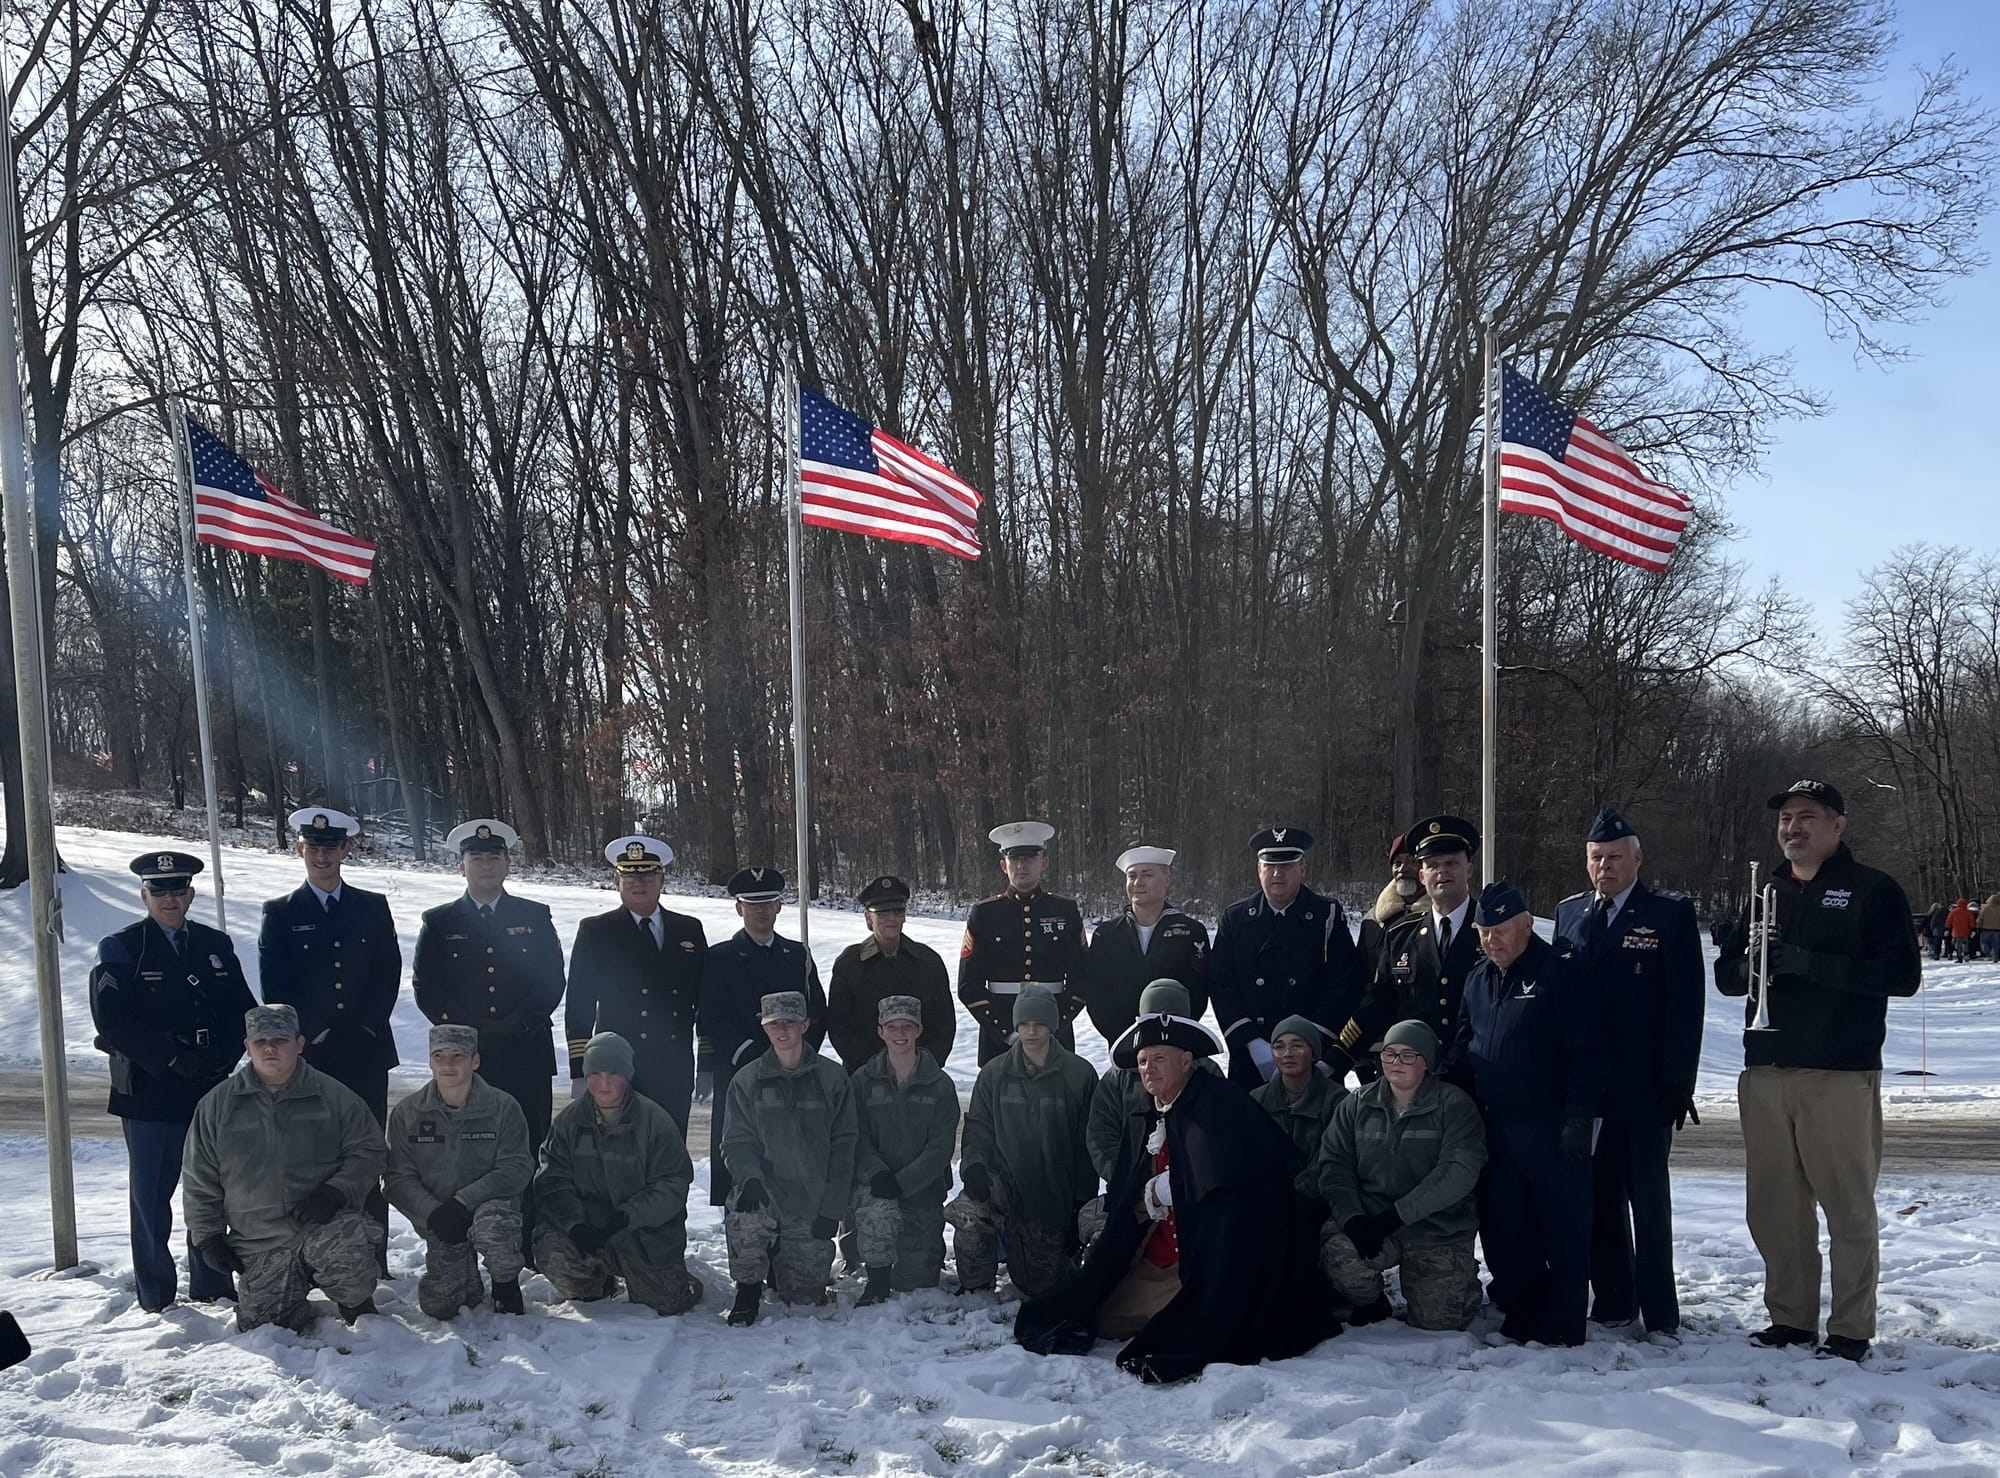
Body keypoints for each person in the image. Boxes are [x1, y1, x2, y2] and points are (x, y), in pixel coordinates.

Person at [1015, 1006, 1340, 1383]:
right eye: (1142, 1061)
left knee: (1187, 1325)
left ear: (1187, 1061)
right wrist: (1147, 1198)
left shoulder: (1222, 1105)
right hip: (1160, 1254)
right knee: (1103, 1317)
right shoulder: (1145, 1116)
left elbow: (1248, 1192)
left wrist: (1180, 1186)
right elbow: (1125, 1199)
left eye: (1159, 1059)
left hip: (1212, 1261)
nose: (1148, 1069)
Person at [1716, 779, 1921, 1362]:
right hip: (1767, 1068)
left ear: (1838, 825)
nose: (1793, 828)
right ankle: (1791, 1319)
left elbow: (1902, 977)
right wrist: (1741, 960)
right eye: (1786, 819)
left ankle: (1852, 1328)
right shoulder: (1763, 892)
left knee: (1847, 1206)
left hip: (1839, 1070)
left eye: (1807, 817)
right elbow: (1730, 983)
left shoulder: (1873, 891)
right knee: (1774, 1206)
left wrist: (1812, 964)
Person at [1552, 808, 1704, 1337]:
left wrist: (1678, 1083)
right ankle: (1615, 1299)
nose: (1605, 867)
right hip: (1589, 1089)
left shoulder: (1667, 914)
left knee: (1648, 1202)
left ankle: (1660, 1311)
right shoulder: (1569, 913)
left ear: (1637, 859)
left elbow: (1686, 1008)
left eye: (1616, 857)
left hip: (1644, 1088)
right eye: (1596, 858)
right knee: (1599, 1198)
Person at [88, 850, 257, 1312]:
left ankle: (213, 1282)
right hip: (150, 1086)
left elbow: (242, 1007)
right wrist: (169, 1059)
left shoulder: (215, 945)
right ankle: (156, 1293)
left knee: (209, 1189)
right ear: (144, 895)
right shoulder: (123, 948)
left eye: (177, 890)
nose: (169, 898)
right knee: (151, 1197)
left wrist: (223, 1058)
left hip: (207, 1084)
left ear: (191, 894)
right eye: (159, 890)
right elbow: (112, 1021)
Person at [1446, 881, 1606, 1347]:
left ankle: (1563, 1321)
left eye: (1499, 931)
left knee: (1562, 1226)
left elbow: (1588, 1051)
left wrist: (1580, 1114)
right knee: (1506, 1226)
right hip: (1495, 1124)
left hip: (1551, 1123)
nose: (1490, 941)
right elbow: (1463, 1043)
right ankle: (1520, 1311)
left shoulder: (1561, 971)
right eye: (1482, 932)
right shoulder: (1479, 976)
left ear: (1525, 924)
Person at [412, 817, 566, 1261]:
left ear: (506, 864)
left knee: (530, 1144)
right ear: (462, 867)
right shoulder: (439, 922)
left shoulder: (534, 917)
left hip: (525, 1049)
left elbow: (551, 980)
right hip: (466, 1057)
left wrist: (518, 1023)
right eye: (476, 858)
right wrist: (468, 1037)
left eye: (493, 857)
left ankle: (529, 1238)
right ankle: (465, 1239)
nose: (485, 865)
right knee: (465, 1147)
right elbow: (428, 987)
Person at [181, 1004, 386, 1333]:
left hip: (322, 1227)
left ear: (300, 1043)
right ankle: (288, 1298)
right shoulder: (216, 1106)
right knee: (266, 1328)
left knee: (347, 1239)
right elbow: (198, 1178)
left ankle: (357, 1306)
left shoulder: (334, 1097)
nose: (270, 1048)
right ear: (247, 1047)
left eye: (280, 1039)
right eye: (260, 1041)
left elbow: (371, 1151)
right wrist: (208, 1237)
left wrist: (336, 1192)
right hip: (259, 1240)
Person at [258, 808, 401, 1262]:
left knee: (367, 1151)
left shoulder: (372, 907)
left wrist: (364, 1024)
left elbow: (388, 972)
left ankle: (373, 1257)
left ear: (346, 851)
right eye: (313, 848)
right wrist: (313, 1031)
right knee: (310, 1154)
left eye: (330, 849)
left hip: (365, 1049)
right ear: (300, 850)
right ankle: (314, 1256)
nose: (322, 857)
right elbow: (275, 983)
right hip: (311, 1054)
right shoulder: (280, 913)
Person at [1315, 1019, 1487, 1329]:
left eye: (1409, 1055)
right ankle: (1370, 1301)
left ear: (1427, 1063)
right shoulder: (1356, 1103)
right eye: (1389, 1053)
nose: (1396, 1063)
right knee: (1341, 1261)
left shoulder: (1454, 1106)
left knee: (1440, 1324)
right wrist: (1352, 1218)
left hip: (1437, 1228)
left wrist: (1397, 1215)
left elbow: (1458, 1171)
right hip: (1372, 1221)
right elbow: (1334, 1164)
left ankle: (1458, 1279)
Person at [533, 1031, 701, 1316]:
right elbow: (551, 1180)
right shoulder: (568, 1123)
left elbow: (672, 1183)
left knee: (666, 1303)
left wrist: (627, 1216)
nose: (605, 1083)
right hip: (589, 1230)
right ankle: (597, 1283)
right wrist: (576, 1225)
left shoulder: (655, 1121)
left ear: (628, 1074)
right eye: (596, 1073)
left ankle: (679, 1279)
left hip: (642, 1233)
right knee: (550, 1249)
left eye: (614, 1073)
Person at [949, 987, 1099, 1296]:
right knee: (969, 1211)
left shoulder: (1079, 1074)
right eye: (1025, 1024)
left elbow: (1089, 1142)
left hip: (1055, 1191)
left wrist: (1081, 1198)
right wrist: (974, 1168)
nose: (1031, 1032)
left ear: (1052, 1026)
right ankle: (976, 1283)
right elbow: (978, 1128)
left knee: (1037, 1283)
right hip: (1006, 1185)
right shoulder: (993, 1074)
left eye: (1040, 1024)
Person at [721, 992, 858, 1325]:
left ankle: (782, 1258)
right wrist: (749, 1177)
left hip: (810, 1203)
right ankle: (748, 1290)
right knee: (745, 1208)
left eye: (790, 1023)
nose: (782, 1031)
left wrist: (831, 1208)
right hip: (766, 1195)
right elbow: (736, 1141)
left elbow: (845, 1146)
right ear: (764, 1028)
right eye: (773, 1024)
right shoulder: (747, 1080)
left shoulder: (833, 1078)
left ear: (805, 1025)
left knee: (802, 1297)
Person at [698, 867, 829, 1205]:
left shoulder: (797, 956)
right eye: (752, 904)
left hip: (794, 1074)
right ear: (739, 908)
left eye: (767, 903)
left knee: (793, 1159)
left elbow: (816, 1012)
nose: (760, 911)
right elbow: (711, 1018)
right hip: (741, 1071)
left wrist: (798, 1056)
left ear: (779, 906)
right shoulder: (719, 958)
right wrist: (752, 1054)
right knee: (741, 1161)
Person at [384, 1025, 534, 1318]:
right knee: (441, 1307)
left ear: (474, 1060)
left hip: (490, 1209)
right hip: (440, 1218)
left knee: (494, 1226)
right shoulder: (408, 1113)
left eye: (458, 1055)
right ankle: (465, 1273)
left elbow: (516, 1167)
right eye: (439, 1055)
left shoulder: (503, 1107)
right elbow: (397, 1178)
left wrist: (464, 1201)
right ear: (429, 1061)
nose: (448, 1064)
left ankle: (505, 1283)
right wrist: (433, 1213)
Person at [565, 836, 706, 1131]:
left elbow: (704, 999)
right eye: (629, 875)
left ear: (662, 879)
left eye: (646, 874)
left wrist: (707, 1059)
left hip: (673, 1064)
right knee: (618, 1155)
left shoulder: (688, 930)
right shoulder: (596, 931)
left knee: (670, 1152)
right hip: (617, 1066)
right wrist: (581, 1069)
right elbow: (580, 1003)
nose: (637, 882)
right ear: (616, 880)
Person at [1208, 827, 1363, 1088]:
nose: (1277, 874)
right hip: (1252, 1056)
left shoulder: (1327, 916)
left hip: (1314, 1053)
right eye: (1269, 866)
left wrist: (1311, 1043)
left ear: (1302, 869)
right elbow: (1222, 985)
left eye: (1287, 866)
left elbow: (1343, 985)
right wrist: (1252, 1043)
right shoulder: (1235, 918)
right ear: (1259, 870)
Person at [1079, 980, 1220, 1247]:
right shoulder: (1117, 1079)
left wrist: (1181, 1181)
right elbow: (1100, 1137)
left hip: (1195, 1192)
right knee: (1102, 1242)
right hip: (1129, 1192)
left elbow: (1218, 1140)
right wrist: (1134, 1181)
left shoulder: (1208, 1075)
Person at [1340, 815, 1479, 1078]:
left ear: (1469, 869)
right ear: (1422, 874)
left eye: (1451, 863)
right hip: (1414, 1079)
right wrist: (1338, 1057)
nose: (1442, 872)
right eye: (1433, 864)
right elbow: (1379, 1002)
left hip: (1479, 1079)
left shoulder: (1492, 931)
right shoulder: (1401, 935)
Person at [849, 996, 961, 1305]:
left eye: (907, 1027)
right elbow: (856, 1136)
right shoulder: (862, 1081)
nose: (900, 1034)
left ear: (919, 1030)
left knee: (917, 1281)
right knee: (879, 1211)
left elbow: (940, 1147)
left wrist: (904, 1182)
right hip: (876, 1187)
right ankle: (877, 1279)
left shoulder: (939, 1084)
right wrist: (878, 1174)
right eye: (893, 1027)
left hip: (922, 1191)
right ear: (881, 1031)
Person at [958, 821, 1087, 1065]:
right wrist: (1006, 1032)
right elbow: (969, 985)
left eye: (1029, 858)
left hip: (1055, 1033)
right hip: (999, 1039)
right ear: (1002, 866)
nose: (1021, 865)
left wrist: (1052, 1025)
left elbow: (1081, 980)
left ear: (1044, 862)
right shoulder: (984, 914)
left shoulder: (1065, 910)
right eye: (1014, 858)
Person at [1080, 846, 1210, 1046]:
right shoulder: (1106, 934)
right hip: (1122, 1043)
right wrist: (1125, 1039)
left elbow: (1198, 993)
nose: (1138, 883)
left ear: (1167, 878)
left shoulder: (1191, 932)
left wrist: (1172, 1034)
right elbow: (1097, 996)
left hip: (1175, 1042)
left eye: (1147, 875)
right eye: (1132, 876)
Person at [826, 875, 956, 1072]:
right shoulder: (850, 964)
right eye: (883, 912)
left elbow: (944, 1025)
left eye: (898, 911)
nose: (892, 918)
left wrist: (923, 1066)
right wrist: (874, 1070)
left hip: (919, 1075)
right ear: (868, 917)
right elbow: (840, 1028)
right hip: (864, 1077)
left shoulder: (928, 961)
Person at [1253, 1015, 1348, 1190]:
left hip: (1323, 1197)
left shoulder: (1338, 1100)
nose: (1287, 1054)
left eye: (1297, 1046)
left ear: (1314, 1053)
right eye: (1279, 1047)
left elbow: (1333, 1159)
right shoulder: (1256, 1100)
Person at [1357, 832, 1428, 980]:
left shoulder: (1441, 917)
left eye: (1413, 862)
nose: (1403, 869)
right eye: (1397, 863)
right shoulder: (1373, 921)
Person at [1947, 896, 1977, 963]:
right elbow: (1972, 922)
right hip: (1966, 931)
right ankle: (1966, 954)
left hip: (1956, 932)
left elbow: (1948, 921)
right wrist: (1973, 929)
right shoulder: (1968, 912)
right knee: (1965, 944)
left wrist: (1947, 928)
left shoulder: (1953, 912)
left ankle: (1959, 957)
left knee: (1958, 945)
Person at [1979, 890, 2000, 962]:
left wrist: (1978, 926)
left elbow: (1980, 918)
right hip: (1997, 929)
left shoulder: (1984, 908)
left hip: (1985, 929)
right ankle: (1995, 957)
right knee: (1995, 944)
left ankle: (1988, 953)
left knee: (1983, 942)